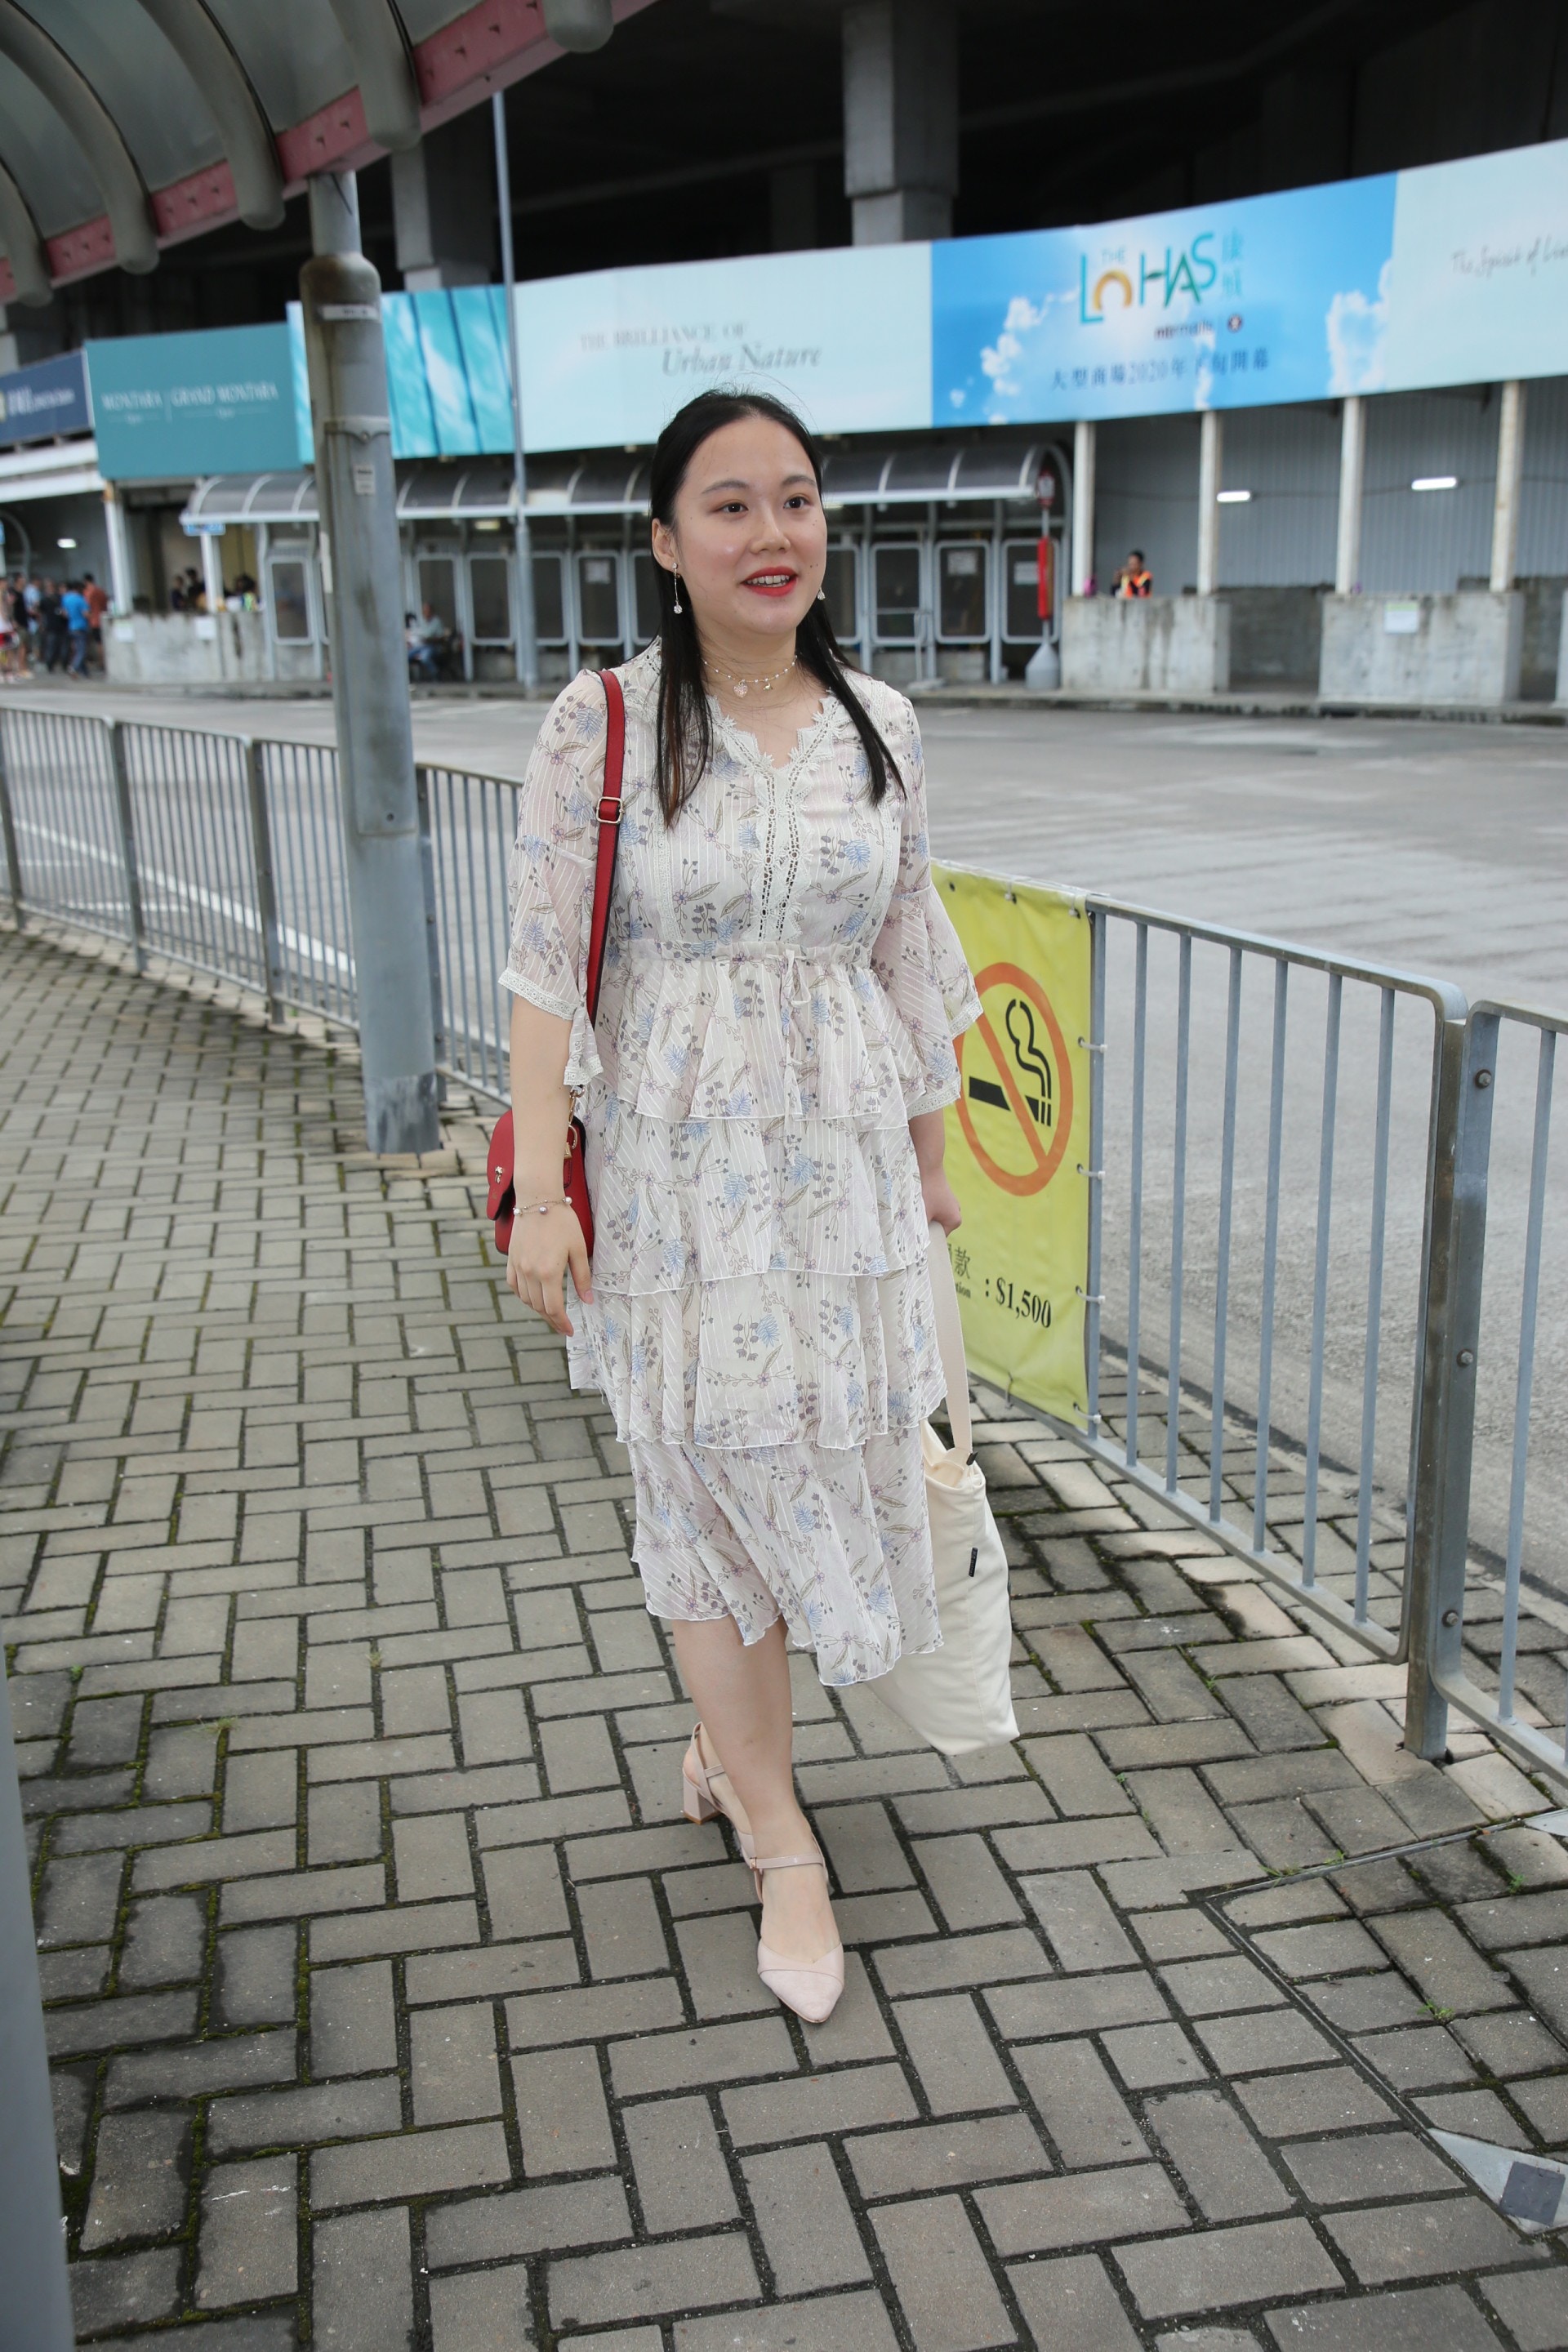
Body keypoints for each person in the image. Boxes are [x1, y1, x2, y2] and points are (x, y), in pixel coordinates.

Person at [501, 389, 979, 2024]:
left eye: (796, 499)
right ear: (664, 539)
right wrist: (542, 1193)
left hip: (842, 1178)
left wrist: (933, 1156)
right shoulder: (605, 725)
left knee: (817, 1466)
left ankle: (725, 1749)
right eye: (729, 504)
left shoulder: (880, 724)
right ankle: (783, 1840)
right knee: (706, 1487)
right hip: (673, 1186)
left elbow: (911, 945)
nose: (772, 533)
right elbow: (545, 972)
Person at [408, 601, 444, 679]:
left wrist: (430, 639)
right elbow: (416, 632)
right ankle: (408, 677)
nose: (426, 613)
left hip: (432, 646)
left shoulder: (437, 622)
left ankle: (436, 673)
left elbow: (441, 638)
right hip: (420, 645)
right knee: (407, 656)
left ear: (432, 612)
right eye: (424, 611)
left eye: (428, 611)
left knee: (425, 658)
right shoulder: (421, 621)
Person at [60, 579, 90, 676]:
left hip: (71, 626)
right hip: (81, 626)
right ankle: (74, 667)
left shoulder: (66, 598)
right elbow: (85, 613)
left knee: (77, 649)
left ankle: (85, 672)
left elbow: (64, 613)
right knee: (82, 650)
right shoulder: (80, 599)